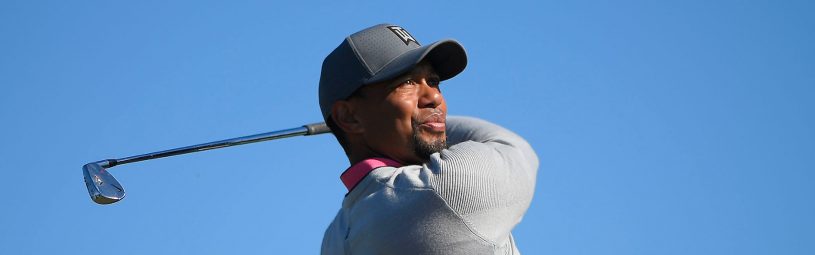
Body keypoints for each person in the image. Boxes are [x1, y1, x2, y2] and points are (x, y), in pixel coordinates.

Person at [318, 24, 539, 255]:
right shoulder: (441, 189)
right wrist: (433, 123)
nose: (434, 97)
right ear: (349, 116)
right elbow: (512, 147)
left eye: (433, 82)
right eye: (407, 83)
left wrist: (411, 120)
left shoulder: (336, 236)